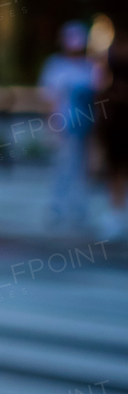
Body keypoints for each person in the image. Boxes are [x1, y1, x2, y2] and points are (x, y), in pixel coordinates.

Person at [38, 20, 97, 228]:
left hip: (86, 127)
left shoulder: (90, 67)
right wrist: (52, 126)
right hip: (64, 126)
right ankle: (57, 207)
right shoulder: (56, 65)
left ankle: (79, 209)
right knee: (62, 168)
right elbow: (49, 99)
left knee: (83, 170)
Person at [94, 20, 128, 239]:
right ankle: (116, 213)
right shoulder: (109, 64)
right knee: (114, 170)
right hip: (115, 124)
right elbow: (100, 90)